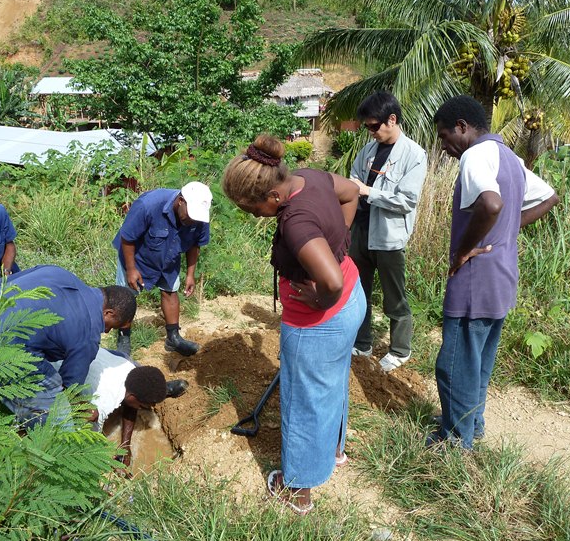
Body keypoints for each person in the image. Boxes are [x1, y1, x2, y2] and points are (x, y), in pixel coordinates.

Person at [222, 134, 365, 515]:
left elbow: (330, 282)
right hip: (352, 299)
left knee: (304, 400)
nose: (253, 216)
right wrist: (339, 245)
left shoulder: (297, 223)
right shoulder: (309, 177)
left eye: (252, 209)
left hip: (319, 320)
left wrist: (320, 297)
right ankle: (332, 451)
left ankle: (297, 488)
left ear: (273, 198)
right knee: (331, 383)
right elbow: (351, 193)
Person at [428, 96, 559, 450]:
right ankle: (474, 423)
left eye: (444, 137)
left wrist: (464, 249)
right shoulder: (509, 158)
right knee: (479, 358)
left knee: (454, 362)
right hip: (502, 273)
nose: (444, 147)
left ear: (461, 127)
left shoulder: (475, 155)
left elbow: (492, 204)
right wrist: (508, 230)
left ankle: (456, 440)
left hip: (475, 275)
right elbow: (549, 196)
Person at [0, 265, 137, 437]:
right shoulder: (88, 334)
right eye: (113, 326)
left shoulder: (56, 272)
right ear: (108, 312)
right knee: (59, 420)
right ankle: (55, 463)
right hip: (2, 355)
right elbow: (69, 389)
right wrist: (85, 408)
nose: (107, 330)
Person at [349, 91, 427, 372]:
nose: (370, 132)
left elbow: (407, 200)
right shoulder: (368, 150)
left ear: (391, 120)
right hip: (361, 231)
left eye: (373, 126)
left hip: (389, 236)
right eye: (367, 127)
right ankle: (363, 342)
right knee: (359, 291)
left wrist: (369, 191)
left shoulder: (414, 155)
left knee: (394, 296)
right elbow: (353, 179)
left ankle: (400, 349)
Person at [112, 182, 212, 356]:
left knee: (171, 292)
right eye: (190, 215)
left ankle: (173, 338)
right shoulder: (148, 205)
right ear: (181, 201)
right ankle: (123, 340)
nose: (192, 220)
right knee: (125, 297)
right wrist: (131, 269)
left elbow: (195, 245)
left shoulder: (199, 217)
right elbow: (127, 238)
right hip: (136, 256)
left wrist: (190, 274)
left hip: (169, 255)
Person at [72, 348, 188, 468]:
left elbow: (131, 405)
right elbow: (89, 444)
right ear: (132, 397)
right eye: (142, 406)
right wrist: (109, 461)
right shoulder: (101, 405)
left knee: (133, 365)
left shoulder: (131, 370)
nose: (146, 408)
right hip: (66, 368)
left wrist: (125, 445)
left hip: (103, 357)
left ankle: (158, 390)